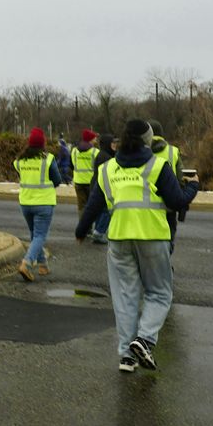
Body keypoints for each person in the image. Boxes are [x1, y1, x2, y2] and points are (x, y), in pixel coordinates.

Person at [75, 119, 198, 373]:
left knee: (125, 297)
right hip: (152, 236)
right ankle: (144, 339)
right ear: (148, 140)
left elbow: (94, 204)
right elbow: (176, 201)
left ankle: (126, 356)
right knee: (160, 293)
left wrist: (80, 230)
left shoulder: (108, 169)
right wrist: (194, 186)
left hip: (119, 238)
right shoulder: (157, 166)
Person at [12, 127, 62, 280]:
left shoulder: (20, 161)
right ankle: (26, 264)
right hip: (44, 203)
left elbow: (22, 175)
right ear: (43, 144)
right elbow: (58, 180)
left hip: (26, 202)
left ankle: (43, 265)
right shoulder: (48, 159)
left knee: (35, 235)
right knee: (40, 235)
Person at [149, 120, 187, 247]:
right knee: (169, 234)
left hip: (145, 201)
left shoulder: (137, 151)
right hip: (169, 202)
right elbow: (181, 178)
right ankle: (165, 261)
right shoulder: (173, 151)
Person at [88, 133, 117, 244]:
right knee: (106, 210)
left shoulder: (104, 155)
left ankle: (98, 230)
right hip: (101, 186)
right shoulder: (105, 157)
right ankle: (99, 232)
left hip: (96, 184)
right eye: (112, 143)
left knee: (101, 209)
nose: (114, 145)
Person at [71, 129, 99, 213]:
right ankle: (90, 223)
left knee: (81, 206)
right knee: (91, 205)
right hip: (91, 182)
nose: (96, 140)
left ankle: (83, 224)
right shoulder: (95, 152)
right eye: (94, 138)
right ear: (90, 139)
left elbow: (73, 163)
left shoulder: (75, 151)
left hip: (78, 181)